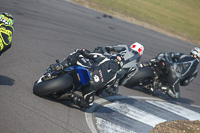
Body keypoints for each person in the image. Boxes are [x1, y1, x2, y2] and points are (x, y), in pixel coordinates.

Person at [50, 48, 122, 109]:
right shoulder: (114, 78)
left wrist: (80, 50)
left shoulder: (104, 58)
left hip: (88, 72)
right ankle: (73, 97)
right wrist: (98, 91)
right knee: (88, 105)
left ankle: (60, 66)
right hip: (91, 87)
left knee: (77, 55)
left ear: (112, 57)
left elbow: (88, 54)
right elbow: (103, 88)